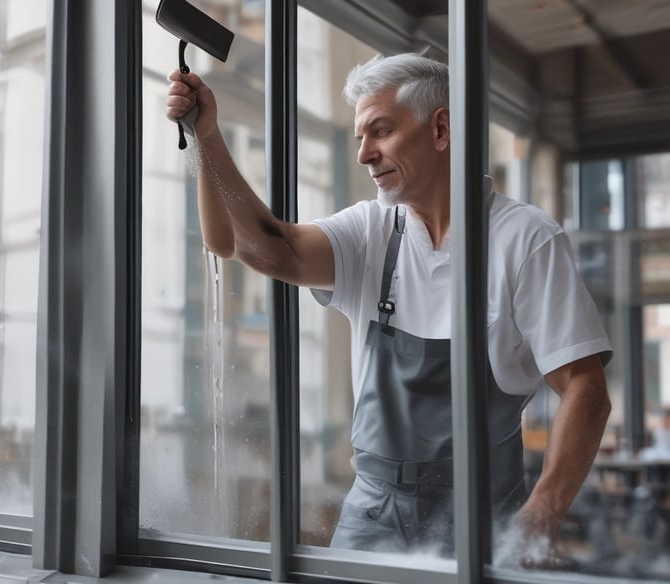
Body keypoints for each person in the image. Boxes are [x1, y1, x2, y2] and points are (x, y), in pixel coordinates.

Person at [166, 53, 612, 565]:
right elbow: (271, 248)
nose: (363, 154)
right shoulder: (371, 229)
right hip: (372, 510)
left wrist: (544, 510)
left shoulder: (525, 239)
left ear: (441, 128)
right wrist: (208, 135)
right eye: (359, 137)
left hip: (481, 511)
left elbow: (584, 386)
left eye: (379, 131)